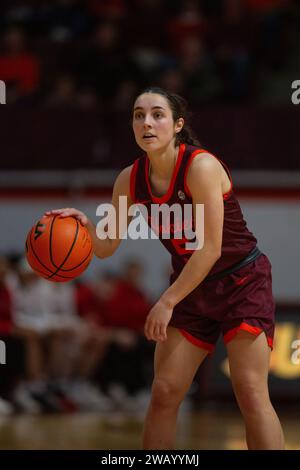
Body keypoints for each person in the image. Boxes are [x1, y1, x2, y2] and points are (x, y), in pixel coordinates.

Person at [45, 87, 284, 450]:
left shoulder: (201, 165)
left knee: (250, 393)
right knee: (164, 392)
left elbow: (210, 249)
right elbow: (106, 248)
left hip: (241, 281)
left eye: (157, 114)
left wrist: (166, 301)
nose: (147, 122)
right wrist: (83, 228)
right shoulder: (129, 179)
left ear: (177, 125)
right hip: (191, 287)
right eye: (139, 115)